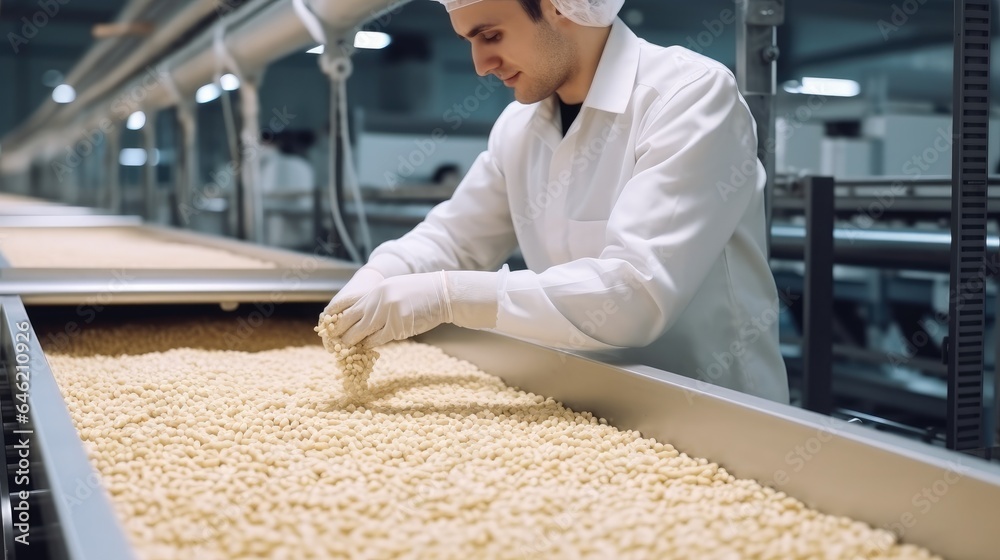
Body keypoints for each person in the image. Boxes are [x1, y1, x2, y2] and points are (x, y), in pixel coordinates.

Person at [324, 0, 789, 403]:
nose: (480, 64)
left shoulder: (689, 97)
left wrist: (447, 297)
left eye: (490, 35)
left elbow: (635, 294)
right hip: (584, 405)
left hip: (712, 411)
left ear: (561, 6)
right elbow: (455, 236)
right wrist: (382, 272)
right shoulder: (518, 127)